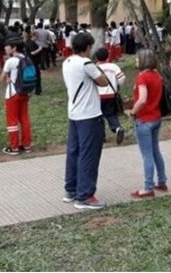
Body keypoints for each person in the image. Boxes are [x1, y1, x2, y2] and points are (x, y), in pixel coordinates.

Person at [62, 32, 109, 210]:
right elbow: (103, 82)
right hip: (89, 115)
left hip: (74, 113)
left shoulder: (67, 62)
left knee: (73, 152)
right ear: (88, 47)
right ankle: (85, 195)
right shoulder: (86, 64)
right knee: (89, 154)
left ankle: (71, 189)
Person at [129, 48, 167, 198]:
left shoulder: (142, 78)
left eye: (138, 59)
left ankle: (148, 187)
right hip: (156, 117)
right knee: (156, 151)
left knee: (147, 155)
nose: (136, 61)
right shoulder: (157, 75)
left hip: (144, 120)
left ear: (144, 60)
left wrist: (133, 112)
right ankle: (162, 181)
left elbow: (143, 99)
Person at [1, 38, 34, 155]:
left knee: (12, 120)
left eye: (7, 46)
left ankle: (14, 146)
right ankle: (27, 145)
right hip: (25, 92)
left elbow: (2, 78)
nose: (5, 48)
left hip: (13, 93)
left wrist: (8, 78)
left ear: (14, 48)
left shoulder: (11, 61)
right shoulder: (26, 58)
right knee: (24, 118)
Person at [95, 47, 126, 145]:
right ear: (107, 55)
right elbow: (122, 78)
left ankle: (101, 136)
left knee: (98, 117)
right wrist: (117, 86)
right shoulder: (113, 67)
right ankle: (117, 128)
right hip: (111, 95)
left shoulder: (94, 68)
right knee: (111, 114)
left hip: (98, 96)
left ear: (96, 57)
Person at [24, 30, 43, 95]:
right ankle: (38, 90)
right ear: (33, 36)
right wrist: (39, 49)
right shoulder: (31, 43)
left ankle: (30, 89)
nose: (37, 37)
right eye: (36, 36)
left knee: (31, 76)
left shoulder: (28, 42)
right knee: (37, 75)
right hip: (33, 61)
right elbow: (32, 52)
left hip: (29, 61)